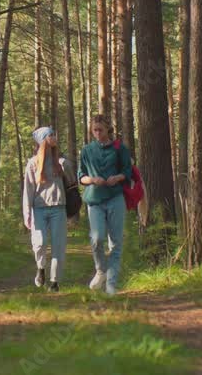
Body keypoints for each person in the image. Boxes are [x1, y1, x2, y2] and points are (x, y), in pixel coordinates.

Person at [77, 114, 131, 296]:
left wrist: (117, 177)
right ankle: (101, 270)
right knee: (97, 237)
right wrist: (92, 179)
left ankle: (111, 285)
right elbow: (81, 177)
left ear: (108, 129)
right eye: (95, 130)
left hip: (115, 198)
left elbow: (127, 171)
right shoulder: (86, 150)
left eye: (101, 130)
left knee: (115, 243)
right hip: (95, 200)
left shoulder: (119, 148)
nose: (98, 133)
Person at [22, 126, 72, 292]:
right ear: (43, 140)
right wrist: (27, 213)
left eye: (53, 134)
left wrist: (65, 166)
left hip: (58, 207)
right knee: (40, 243)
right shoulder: (33, 163)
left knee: (58, 245)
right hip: (39, 209)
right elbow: (28, 189)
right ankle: (41, 267)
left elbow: (72, 181)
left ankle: (55, 282)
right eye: (50, 135)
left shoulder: (61, 162)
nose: (54, 137)